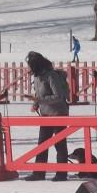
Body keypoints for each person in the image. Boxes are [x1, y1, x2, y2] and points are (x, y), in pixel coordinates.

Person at [24, 51, 69, 182]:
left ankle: (61, 173)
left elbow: (58, 96)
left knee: (60, 145)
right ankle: (38, 173)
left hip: (58, 113)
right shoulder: (37, 76)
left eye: (30, 65)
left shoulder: (51, 75)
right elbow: (39, 94)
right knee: (42, 144)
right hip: (45, 114)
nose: (29, 68)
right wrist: (36, 103)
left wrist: (40, 100)